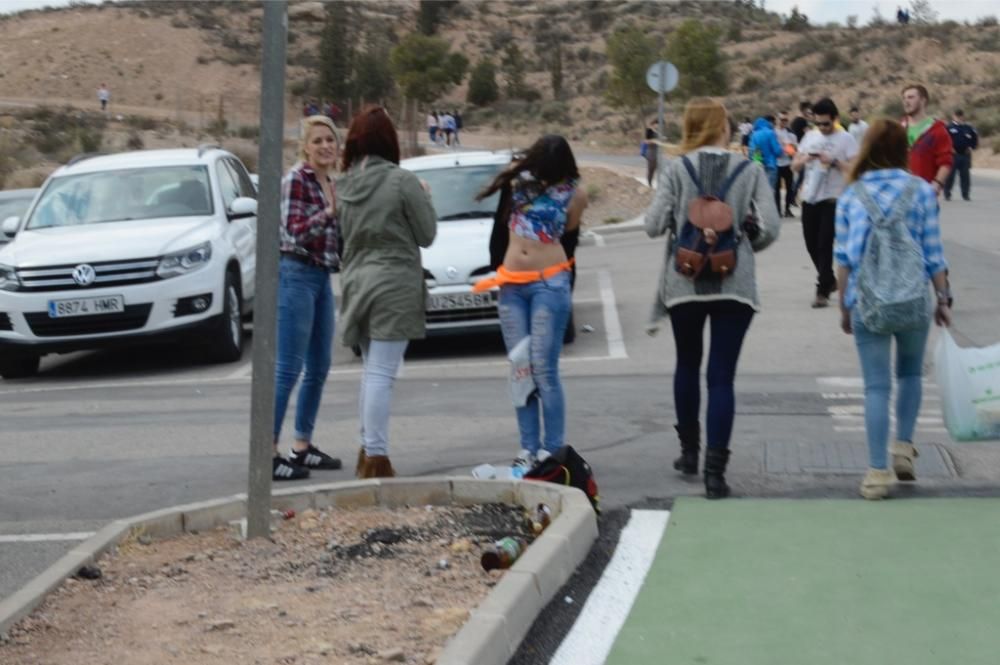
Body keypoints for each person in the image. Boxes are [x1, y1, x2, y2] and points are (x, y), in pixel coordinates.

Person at [644, 98, 781, 499]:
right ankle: (715, 475)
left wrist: (680, 224)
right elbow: (771, 227)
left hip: (683, 282)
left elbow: (653, 226)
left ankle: (689, 453)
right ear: (722, 126)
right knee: (722, 377)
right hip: (734, 282)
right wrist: (742, 241)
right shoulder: (751, 170)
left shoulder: (674, 168)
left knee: (687, 364)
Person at [834, 118, 951, 500]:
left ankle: (876, 473)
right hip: (913, 298)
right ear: (904, 151)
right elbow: (934, 253)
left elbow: (843, 259)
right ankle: (903, 447)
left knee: (876, 386)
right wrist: (944, 299)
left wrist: (844, 304)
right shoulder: (920, 191)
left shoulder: (851, 195)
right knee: (911, 375)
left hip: (868, 301)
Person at [473, 135, 588, 472]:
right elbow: (499, 223)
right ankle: (528, 448)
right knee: (520, 368)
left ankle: (552, 451)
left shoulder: (575, 193)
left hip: (547, 283)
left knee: (544, 369)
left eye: (550, 173)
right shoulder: (519, 178)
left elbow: (569, 238)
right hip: (511, 284)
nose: (543, 178)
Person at [336, 106, 438, 478]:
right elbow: (426, 235)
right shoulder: (402, 181)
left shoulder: (343, 184)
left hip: (356, 279)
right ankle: (377, 458)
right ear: (388, 140)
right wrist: (425, 198)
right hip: (394, 281)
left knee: (370, 371)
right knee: (382, 373)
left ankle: (368, 448)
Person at [272, 115, 344, 481]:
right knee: (288, 368)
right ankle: (267, 452)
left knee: (320, 365)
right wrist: (330, 212)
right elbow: (294, 231)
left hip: (321, 277)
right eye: (317, 141)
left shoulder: (332, 182)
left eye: (329, 140)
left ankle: (302, 446)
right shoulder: (295, 180)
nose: (325, 147)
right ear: (305, 146)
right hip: (296, 273)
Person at [792, 97, 859, 309]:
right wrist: (805, 160)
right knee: (811, 243)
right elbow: (795, 166)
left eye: (826, 124)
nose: (822, 128)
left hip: (834, 198)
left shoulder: (846, 139)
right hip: (810, 197)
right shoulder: (810, 137)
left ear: (835, 119)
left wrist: (835, 162)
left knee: (824, 242)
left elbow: (856, 170)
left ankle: (821, 290)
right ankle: (829, 280)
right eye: (818, 123)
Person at [900, 84, 952, 195]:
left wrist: (937, 185)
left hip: (924, 195)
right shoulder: (898, 128)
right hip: (899, 195)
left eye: (911, 97)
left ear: (923, 100)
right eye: (904, 98)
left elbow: (946, 162)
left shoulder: (937, 130)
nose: (906, 101)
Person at [944, 109, 978, 201]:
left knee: (965, 176)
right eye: (957, 116)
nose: (959, 118)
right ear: (953, 116)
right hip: (953, 155)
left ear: (963, 116)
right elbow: (944, 140)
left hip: (965, 155)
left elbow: (974, 139)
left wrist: (971, 147)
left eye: (960, 116)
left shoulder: (968, 128)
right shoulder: (949, 127)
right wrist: (950, 148)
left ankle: (965, 194)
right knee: (950, 175)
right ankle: (947, 193)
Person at [748, 115, 783, 191]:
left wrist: (758, 161)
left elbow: (752, 152)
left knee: (759, 191)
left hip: (758, 166)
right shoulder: (771, 133)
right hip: (771, 166)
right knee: (770, 192)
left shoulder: (754, 134)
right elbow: (777, 151)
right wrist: (781, 149)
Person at [775, 111, 798, 217]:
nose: (784, 122)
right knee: (777, 189)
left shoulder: (789, 133)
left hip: (788, 163)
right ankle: (778, 210)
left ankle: (787, 209)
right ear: (777, 119)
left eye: (786, 120)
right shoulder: (773, 132)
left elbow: (794, 148)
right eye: (782, 119)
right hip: (777, 163)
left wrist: (791, 147)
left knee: (789, 188)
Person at [643, 119, 660, 187]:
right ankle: (649, 183)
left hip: (656, 152)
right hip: (651, 152)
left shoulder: (657, 131)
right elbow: (646, 141)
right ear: (654, 124)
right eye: (657, 124)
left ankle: (654, 182)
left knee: (656, 168)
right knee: (651, 169)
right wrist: (655, 141)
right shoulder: (649, 130)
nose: (658, 126)